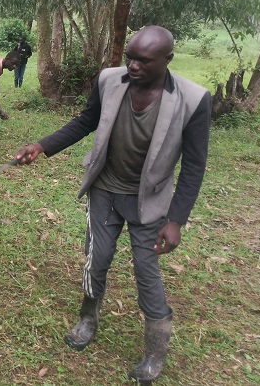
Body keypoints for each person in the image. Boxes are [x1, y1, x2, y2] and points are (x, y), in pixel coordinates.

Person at [13, 25, 211, 383]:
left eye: (143, 61)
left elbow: (195, 166)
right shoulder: (110, 80)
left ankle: (154, 352)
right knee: (97, 259)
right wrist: (41, 145)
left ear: (167, 60)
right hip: (104, 188)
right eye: (130, 57)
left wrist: (176, 220)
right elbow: (86, 121)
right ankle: (88, 317)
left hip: (148, 200)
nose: (132, 66)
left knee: (146, 272)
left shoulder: (193, 99)